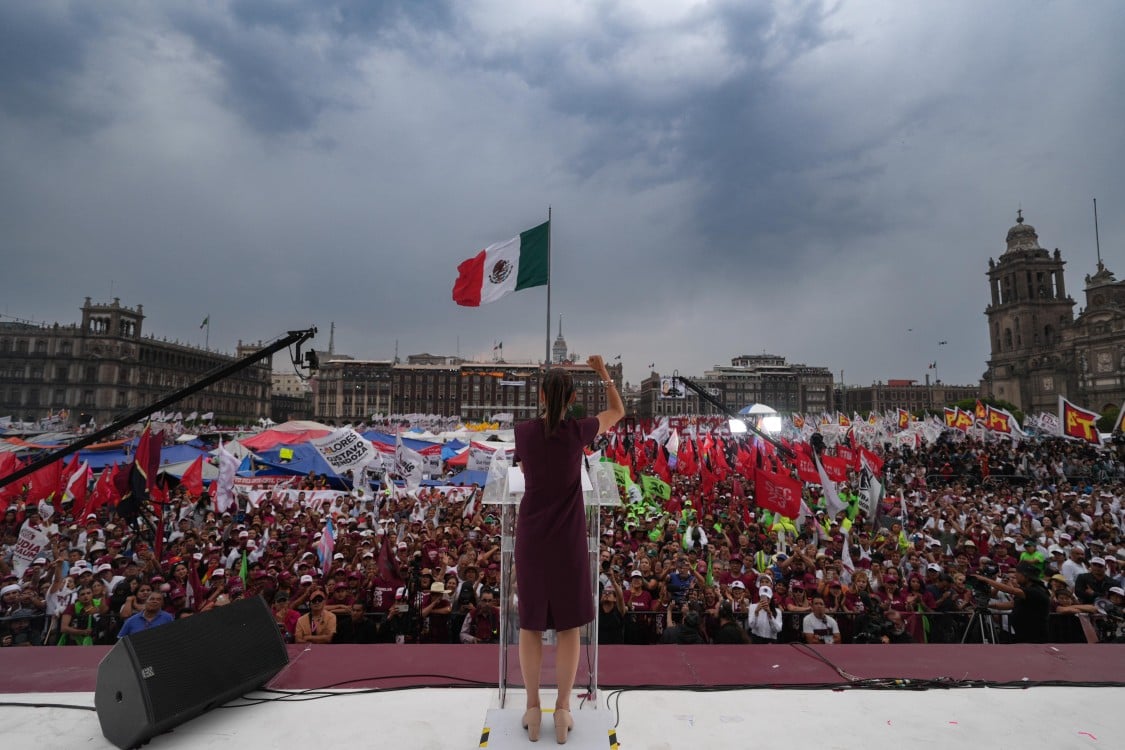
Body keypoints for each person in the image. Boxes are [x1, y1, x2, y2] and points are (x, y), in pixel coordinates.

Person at [513, 356, 624, 744]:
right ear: (574, 397)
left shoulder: (523, 433)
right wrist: (604, 374)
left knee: (529, 625)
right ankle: (562, 709)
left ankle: (531, 708)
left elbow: (526, 472)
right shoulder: (580, 431)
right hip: (568, 540)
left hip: (531, 538)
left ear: (541, 395)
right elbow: (617, 411)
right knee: (568, 627)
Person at [971, 561, 1050, 643]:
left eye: (1017, 573)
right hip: (1022, 633)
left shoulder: (1036, 590)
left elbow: (1011, 590)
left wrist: (985, 579)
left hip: (1035, 634)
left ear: (1026, 575)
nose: (1015, 576)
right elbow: (1012, 604)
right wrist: (987, 605)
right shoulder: (1026, 591)